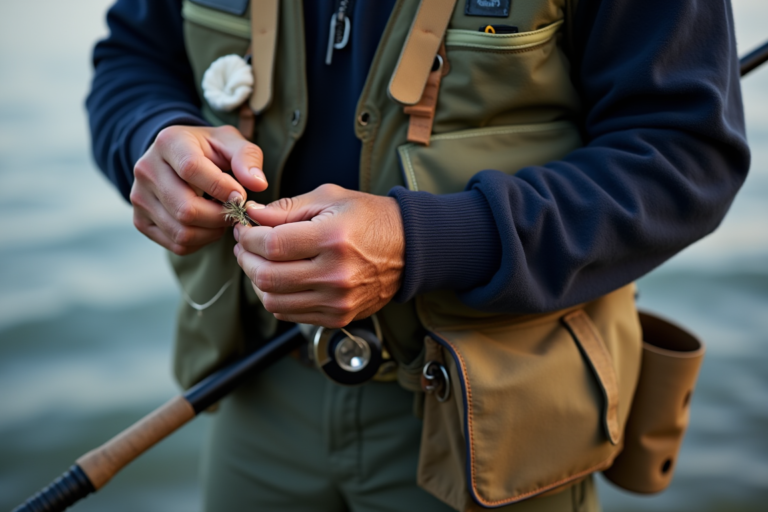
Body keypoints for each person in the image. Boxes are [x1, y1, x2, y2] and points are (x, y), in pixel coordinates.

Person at [87, 0, 749, 510]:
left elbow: (685, 157)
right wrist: (153, 135)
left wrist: (426, 242)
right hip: (258, 395)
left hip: (494, 424)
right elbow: (132, 58)